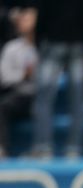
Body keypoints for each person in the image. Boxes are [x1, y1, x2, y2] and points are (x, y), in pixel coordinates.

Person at [30, 0, 83, 159]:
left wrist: (39, 43)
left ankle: (43, 147)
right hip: (77, 45)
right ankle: (74, 148)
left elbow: (42, 17)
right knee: (77, 100)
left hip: (53, 43)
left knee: (44, 99)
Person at [0, 7, 37, 159]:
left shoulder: (45, 47)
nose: (25, 22)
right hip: (20, 94)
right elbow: (5, 77)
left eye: (28, 19)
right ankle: (2, 149)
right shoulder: (11, 48)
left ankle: (42, 148)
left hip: (41, 95)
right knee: (2, 106)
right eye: (22, 19)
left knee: (44, 106)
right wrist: (24, 75)